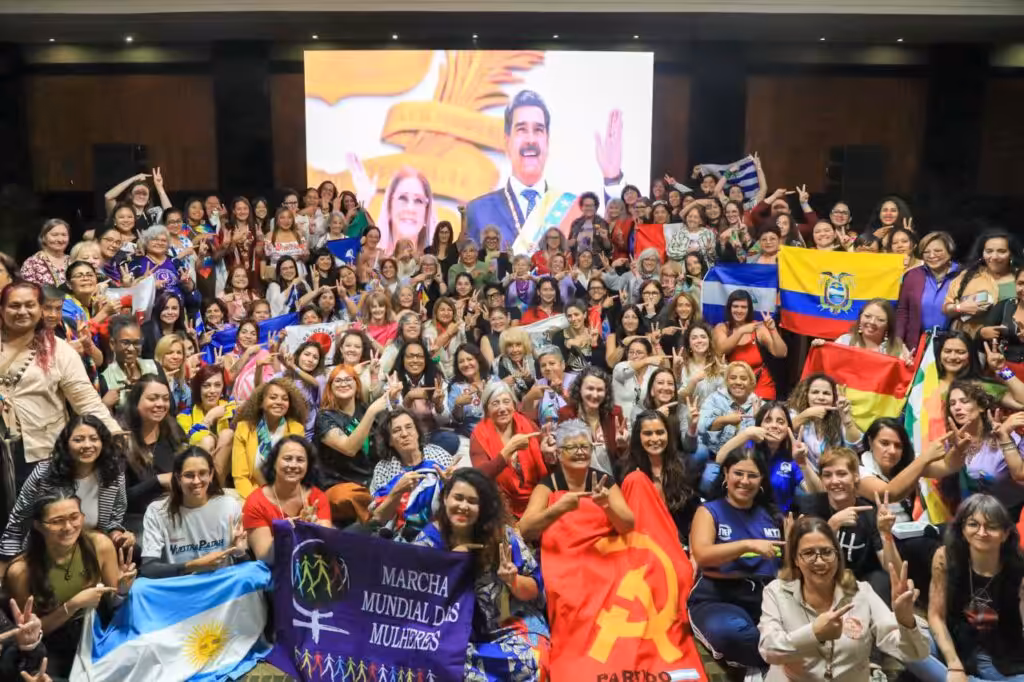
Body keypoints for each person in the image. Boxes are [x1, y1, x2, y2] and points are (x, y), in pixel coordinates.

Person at [412, 469, 549, 679]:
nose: (463, 506)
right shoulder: (427, 543)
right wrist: (450, 566)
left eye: (472, 501)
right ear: (445, 498)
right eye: (458, 498)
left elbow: (535, 589)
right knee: (435, 662)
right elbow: (415, 604)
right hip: (453, 635)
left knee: (534, 659)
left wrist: (513, 581)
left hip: (509, 624)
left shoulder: (501, 536)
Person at [758, 516, 928, 682]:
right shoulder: (776, 592)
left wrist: (906, 621)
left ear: (838, 555)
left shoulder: (861, 593)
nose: (820, 562)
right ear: (795, 559)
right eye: (809, 553)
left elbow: (916, 653)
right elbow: (768, 651)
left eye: (827, 552)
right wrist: (814, 633)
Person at [465, 90, 625, 247]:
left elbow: (614, 248)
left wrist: (612, 179)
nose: (531, 139)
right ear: (507, 142)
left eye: (538, 130)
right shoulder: (478, 211)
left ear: (547, 141)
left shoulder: (575, 210)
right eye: (521, 129)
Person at [0, 282, 120, 489]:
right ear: (2, 310)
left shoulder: (60, 350)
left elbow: (86, 401)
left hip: (42, 454)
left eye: (30, 305)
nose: (22, 311)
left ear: (40, 309)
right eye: (14, 306)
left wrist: (114, 433)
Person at [4, 492, 135, 679]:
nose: (68, 527)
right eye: (57, 521)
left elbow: (115, 606)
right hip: (55, 643)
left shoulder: (100, 545)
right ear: (39, 526)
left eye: (74, 517)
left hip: (98, 630)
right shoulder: (21, 572)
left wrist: (122, 590)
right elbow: (32, 632)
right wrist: (73, 605)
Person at [687, 449, 782, 673]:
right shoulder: (709, 511)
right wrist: (747, 545)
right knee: (733, 634)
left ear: (761, 480)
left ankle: (779, 661)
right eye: (738, 473)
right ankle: (784, 660)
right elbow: (702, 554)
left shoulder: (772, 515)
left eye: (752, 475)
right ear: (726, 474)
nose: (745, 481)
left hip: (764, 597)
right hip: (717, 596)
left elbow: (788, 561)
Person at [0, 416, 129, 565]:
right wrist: (8, 563)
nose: (87, 445)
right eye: (78, 440)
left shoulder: (113, 473)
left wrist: (117, 534)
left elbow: (114, 519)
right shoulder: (44, 473)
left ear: (103, 443)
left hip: (92, 549)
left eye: (94, 439)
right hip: (47, 551)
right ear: (66, 444)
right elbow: (18, 522)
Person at [929, 494, 1024, 681]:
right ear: (962, 530)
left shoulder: (1018, 567)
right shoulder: (945, 558)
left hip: (1003, 651)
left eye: (992, 526)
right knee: (909, 644)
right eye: (973, 524)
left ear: (1005, 534)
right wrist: (954, 665)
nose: (982, 532)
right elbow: (936, 615)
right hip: (955, 644)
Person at [794, 447, 903, 604]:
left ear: (856, 476)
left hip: (859, 583)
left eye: (841, 474)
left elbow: (894, 571)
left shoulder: (869, 513)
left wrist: (886, 533)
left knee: (881, 579)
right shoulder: (811, 506)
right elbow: (801, 560)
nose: (834, 481)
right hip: (820, 579)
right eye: (827, 475)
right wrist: (832, 526)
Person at [518, 419, 633, 542]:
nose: (580, 452)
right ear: (559, 453)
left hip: (602, 549)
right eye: (571, 447)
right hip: (561, 551)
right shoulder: (547, 486)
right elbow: (525, 531)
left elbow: (628, 527)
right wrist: (558, 509)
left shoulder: (604, 481)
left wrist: (607, 506)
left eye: (585, 447)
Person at [140, 447, 246, 578]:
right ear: (178, 478)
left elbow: (243, 566)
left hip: (222, 582)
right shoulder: (157, 511)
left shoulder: (229, 505)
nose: (196, 481)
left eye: (202, 473)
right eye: (189, 475)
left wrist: (240, 552)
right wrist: (193, 565)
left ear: (211, 475)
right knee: (140, 586)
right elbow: (148, 569)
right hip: (182, 584)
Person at [316, 365, 402, 525]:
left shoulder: (364, 408)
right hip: (339, 484)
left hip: (372, 480)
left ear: (357, 384)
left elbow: (393, 434)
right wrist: (372, 412)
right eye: (338, 381)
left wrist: (393, 400)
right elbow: (349, 448)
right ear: (330, 388)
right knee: (347, 497)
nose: (343, 384)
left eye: (348, 379)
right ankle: (380, 519)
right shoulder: (325, 417)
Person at [710, 401, 820, 513]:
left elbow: (818, 494)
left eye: (780, 422)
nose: (774, 426)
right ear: (759, 425)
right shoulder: (748, 447)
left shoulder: (792, 457)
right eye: (768, 420)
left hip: (776, 518)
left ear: (788, 428)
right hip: (742, 514)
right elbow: (720, 459)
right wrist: (747, 434)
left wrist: (803, 463)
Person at [470, 381, 554, 518]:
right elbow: (479, 476)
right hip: (502, 506)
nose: (502, 408)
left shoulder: (527, 424)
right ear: (486, 410)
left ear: (514, 405)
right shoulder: (479, 435)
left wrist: (549, 456)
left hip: (539, 497)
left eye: (506, 402)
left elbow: (550, 467)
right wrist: (507, 452)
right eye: (495, 404)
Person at [367, 408, 455, 540]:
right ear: (390, 441)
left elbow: (457, 502)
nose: (404, 434)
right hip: (398, 536)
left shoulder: (439, 456)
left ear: (417, 432)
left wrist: (449, 484)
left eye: (409, 427)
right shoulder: (383, 469)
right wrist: (397, 491)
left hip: (440, 529)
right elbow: (377, 519)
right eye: (397, 430)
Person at [243, 436, 332, 563]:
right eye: (287, 458)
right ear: (274, 463)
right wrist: (284, 533)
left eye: (300, 460)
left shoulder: (317, 497)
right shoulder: (256, 502)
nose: (293, 465)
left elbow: (327, 547)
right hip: (274, 571)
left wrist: (313, 530)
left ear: (308, 466)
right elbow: (265, 558)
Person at [625, 409, 701, 540]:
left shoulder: (686, 465)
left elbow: (694, 514)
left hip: (679, 540)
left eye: (660, 432)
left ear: (668, 434)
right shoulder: (626, 469)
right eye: (648, 434)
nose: (655, 439)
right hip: (644, 541)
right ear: (638, 436)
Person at [231, 378, 307, 499]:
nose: (279, 402)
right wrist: (256, 501)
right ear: (261, 402)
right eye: (273, 397)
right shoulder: (244, 429)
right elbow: (240, 477)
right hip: (253, 494)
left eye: (285, 399)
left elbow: (297, 474)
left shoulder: (296, 429)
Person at [945, 229, 1021, 335]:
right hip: (969, 341)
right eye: (989, 251)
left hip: (1014, 341)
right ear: (982, 253)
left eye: (1001, 251)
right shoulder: (968, 276)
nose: (994, 257)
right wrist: (959, 307)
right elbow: (947, 308)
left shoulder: (1020, 278)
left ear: (1011, 254)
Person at [713, 290, 786, 399]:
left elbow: (781, 353)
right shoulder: (722, 328)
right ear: (729, 308)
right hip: (733, 387)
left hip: (760, 388)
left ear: (749, 309)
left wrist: (773, 329)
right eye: (735, 306)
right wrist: (741, 331)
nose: (739, 310)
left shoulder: (758, 328)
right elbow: (720, 350)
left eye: (743, 307)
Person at [557, 367, 627, 477]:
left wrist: (623, 446)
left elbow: (625, 459)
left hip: (611, 478)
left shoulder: (615, 413)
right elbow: (562, 454)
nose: (595, 395)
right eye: (590, 389)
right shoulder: (566, 414)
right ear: (579, 389)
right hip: (579, 478)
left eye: (600, 390)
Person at [896, 231, 960, 349]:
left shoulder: (962, 275)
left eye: (938, 251)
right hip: (917, 345)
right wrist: (898, 341)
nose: (931, 255)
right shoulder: (913, 275)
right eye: (926, 252)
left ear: (949, 251)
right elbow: (903, 310)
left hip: (953, 346)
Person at [788, 373, 862, 472]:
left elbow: (858, 446)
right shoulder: (795, 413)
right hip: (803, 474)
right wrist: (806, 415)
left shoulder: (840, 416)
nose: (821, 397)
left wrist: (847, 421)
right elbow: (780, 434)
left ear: (834, 398)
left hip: (835, 472)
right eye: (815, 392)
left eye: (826, 393)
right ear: (806, 395)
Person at [176, 364, 235, 485]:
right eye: (206, 386)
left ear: (223, 388)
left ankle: (215, 486)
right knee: (207, 441)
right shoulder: (185, 415)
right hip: (195, 471)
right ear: (198, 389)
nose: (212, 391)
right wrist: (209, 418)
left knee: (227, 434)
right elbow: (188, 445)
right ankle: (210, 486)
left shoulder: (232, 409)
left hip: (230, 472)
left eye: (217, 385)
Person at [99, 314, 160, 411]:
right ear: (112, 344)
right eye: (125, 343)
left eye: (136, 343)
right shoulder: (106, 379)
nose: (131, 348)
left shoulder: (154, 367)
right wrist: (104, 405)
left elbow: (170, 406)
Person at [829, 298, 914, 363]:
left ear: (888, 325)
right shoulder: (844, 342)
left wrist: (907, 367)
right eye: (867, 316)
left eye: (880, 320)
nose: (872, 322)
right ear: (860, 317)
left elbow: (906, 378)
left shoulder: (898, 348)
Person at [376, 167, 436, 254]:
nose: (410, 208)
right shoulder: (366, 258)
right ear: (389, 206)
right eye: (403, 198)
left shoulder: (438, 260)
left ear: (427, 213)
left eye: (418, 200)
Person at [19, 219, 71, 288]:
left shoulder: (73, 261)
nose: (60, 239)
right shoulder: (32, 263)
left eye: (64, 235)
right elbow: (26, 290)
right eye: (55, 235)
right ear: (44, 237)